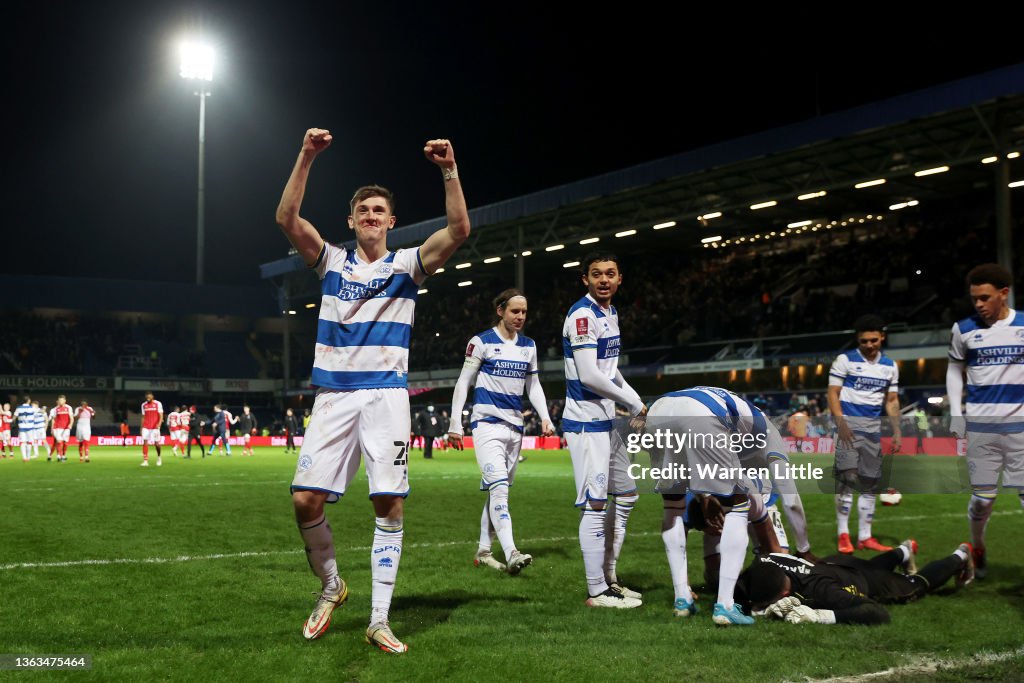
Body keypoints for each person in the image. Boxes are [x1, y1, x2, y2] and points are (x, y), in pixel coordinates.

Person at [275, 128, 470, 652]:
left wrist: (448, 170)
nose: (371, 217)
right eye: (363, 211)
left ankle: (379, 619)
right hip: (334, 395)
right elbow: (287, 220)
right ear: (351, 221)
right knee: (304, 499)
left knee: (389, 504)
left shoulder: (407, 266)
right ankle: (333, 586)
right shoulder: (331, 263)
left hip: (385, 394)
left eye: (379, 211)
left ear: (391, 221)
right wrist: (307, 155)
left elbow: (458, 229)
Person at [644, 385, 794, 625]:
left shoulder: (738, 413)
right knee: (739, 503)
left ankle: (681, 597)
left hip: (658, 410)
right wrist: (803, 545)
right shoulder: (766, 432)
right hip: (700, 415)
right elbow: (781, 495)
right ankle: (724, 605)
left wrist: (704, 496)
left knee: (672, 507)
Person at [561, 253, 647, 609]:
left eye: (610, 274)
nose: (604, 280)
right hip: (586, 422)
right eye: (596, 274)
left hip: (608, 420)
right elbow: (590, 375)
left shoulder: (610, 314)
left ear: (620, 278)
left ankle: (610, 578)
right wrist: (636, 403)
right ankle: (596, 590)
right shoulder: (582, 316)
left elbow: (609, 370)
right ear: (585, 280)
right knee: (595, 504)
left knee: (626, 494)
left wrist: (632, 399)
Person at [448, 288, 555, 575]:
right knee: (499, 489)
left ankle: (484, 551)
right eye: (514, 311)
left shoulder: (529, 346)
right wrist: (455, 424)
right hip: (486, 424)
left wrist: (545, 417)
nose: (520, 316)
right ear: (501, 311)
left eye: (523, 312)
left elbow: (533, 385)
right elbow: (463, 383)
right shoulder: (481, 342)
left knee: (499, 492)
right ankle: (511, 552)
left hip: (515, 428)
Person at [946, 263, 1024, 580]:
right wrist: (955, 412)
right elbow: (954, 369)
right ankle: (978, 546)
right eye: (974, 298)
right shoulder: (963, 329)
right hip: (982, 429)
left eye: (985, 298)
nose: (978, 304)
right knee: (982, 501)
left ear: (1003, 294)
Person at [737, 541, 975, 625]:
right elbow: (741, 587)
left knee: (913, 585)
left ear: (785, 592)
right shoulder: (762, 563)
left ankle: (960, 556)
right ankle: (902, 552)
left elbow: (876, 612)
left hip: (861, 581)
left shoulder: (821, 590)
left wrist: (821, 616)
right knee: (869, 564)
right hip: (833, 563)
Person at [827, 314, 901, 554]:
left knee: (870, 484)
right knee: (847, 481)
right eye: (864, 341)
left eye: (873, 340)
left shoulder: (890, 366)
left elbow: (891, 400)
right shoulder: (844, 360)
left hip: (872, 430)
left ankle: (865, 537)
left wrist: (897, 430)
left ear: (882, 337)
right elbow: (832, 394)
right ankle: (843, 534)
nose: (869, 345)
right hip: (848, 427)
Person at [139, 391, 164, 467]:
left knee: (156, 443)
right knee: (145, 442)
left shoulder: (158, 403)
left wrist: (159, 424)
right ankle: (145, 461)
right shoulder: (143, 405)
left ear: (152, 396)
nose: (148, 398)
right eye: (147, 397)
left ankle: (159, 458)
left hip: (155, 427)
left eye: (149, 396)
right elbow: (143, 417)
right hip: (146, 426)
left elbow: (161, 415)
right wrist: (141, 427)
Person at [48, 395, 74, 463]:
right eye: (59, 400)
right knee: (59, 441)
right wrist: (52, 429)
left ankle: (63, 455)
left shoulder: (69, 408)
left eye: (62, 400)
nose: (60, 401)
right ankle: (60, 455)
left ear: (65, 401)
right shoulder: (55, 409)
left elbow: (71, 418)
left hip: (66, 428)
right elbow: (53, 419)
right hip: (57, 428)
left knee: (65, 442)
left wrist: (70, 425)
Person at [14, 396, 34, 462]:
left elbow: (14, 417)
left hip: (22, 427)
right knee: (29, 442)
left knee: (22, 442)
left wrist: (11, 420)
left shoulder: (19, 408)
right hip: (30, 428)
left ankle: (24, 457)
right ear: (29, 401)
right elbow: (39, 412)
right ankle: (28, 458)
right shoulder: (32, 408)